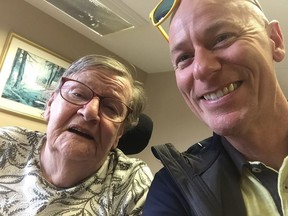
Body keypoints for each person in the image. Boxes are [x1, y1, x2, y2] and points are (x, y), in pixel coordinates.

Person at [143, 0, 288, 215]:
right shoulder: (173, 190)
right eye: (184, 57)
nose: (201, 69)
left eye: (222, 38)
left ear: (274, 40)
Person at [0, 54, 153, 215]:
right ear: (50, 105)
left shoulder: (132, 184)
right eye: (78, 94)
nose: (90, 112)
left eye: (111, 108)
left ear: (119, 134)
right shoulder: (6, 143)